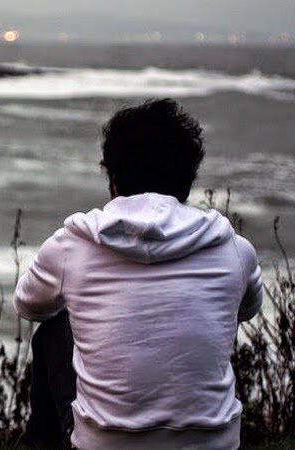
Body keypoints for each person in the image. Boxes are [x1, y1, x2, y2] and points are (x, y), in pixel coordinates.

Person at [13, 99, 263, 450]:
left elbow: (28, 305)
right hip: (215, 446)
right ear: (187, 182)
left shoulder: (72, 245)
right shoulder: (234, 249)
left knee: (55, 328)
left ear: (113, 179)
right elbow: (246, 311)